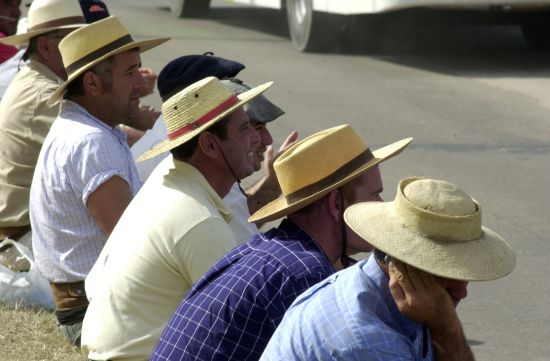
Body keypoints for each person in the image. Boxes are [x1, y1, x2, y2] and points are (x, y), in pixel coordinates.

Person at [151, 124, 413, 361]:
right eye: (375, 194)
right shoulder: (304, 274)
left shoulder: (269, 251)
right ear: (336, 204)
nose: (381, 207)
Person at [81, 76, 271, 361]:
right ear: (208, 145)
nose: (259, 139)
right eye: (245, 129)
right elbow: (248, 323)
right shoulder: (198, 219)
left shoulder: (169, 175)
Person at [260, 177, 517, 361]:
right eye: (447, 273)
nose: (462, 291)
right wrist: (448, 329)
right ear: (404, 264)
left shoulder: (370, 285)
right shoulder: (368, 343)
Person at [29, 16, 169, 347]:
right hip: (97, 315)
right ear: (92, 84)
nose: (141, 84)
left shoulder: (91, 128)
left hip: (94, 307)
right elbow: (136, 247)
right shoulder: (92, 142)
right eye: (129, 73)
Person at [131, 53, 297, 243]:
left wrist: (273, 184)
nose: (264, 139)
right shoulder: (197, 171)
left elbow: (237, 222)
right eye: (246, 128)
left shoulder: (183, 154)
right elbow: (243, 249)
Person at [0, 0, 86, 271]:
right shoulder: (43, 93)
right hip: (22, 243)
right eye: (72, 38)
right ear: (46, 45)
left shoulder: (39, 80)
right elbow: (94, 144)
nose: (83, 47)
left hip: (25, 233)